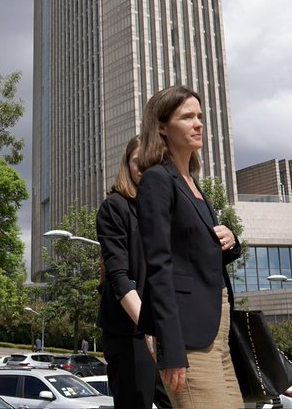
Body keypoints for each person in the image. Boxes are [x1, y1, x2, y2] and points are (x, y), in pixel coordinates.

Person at [136, 85, 241, 409]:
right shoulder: (157, 180)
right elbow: (159, 268)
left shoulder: (192, 184)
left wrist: (231, 242)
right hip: (187, 337)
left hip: (218, 332)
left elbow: (200, 255)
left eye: (199, 116)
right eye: (187, 117)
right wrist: (171, 348)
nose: (198, 124)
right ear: (163, 128)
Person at [97, 136, 167, 409]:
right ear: (127, 165)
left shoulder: (165, 211)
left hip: (167, 329)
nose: (144, 168)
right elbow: (118, 276)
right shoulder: (115, 207)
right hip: (130, 335)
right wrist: (147, 326)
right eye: (138, 162)